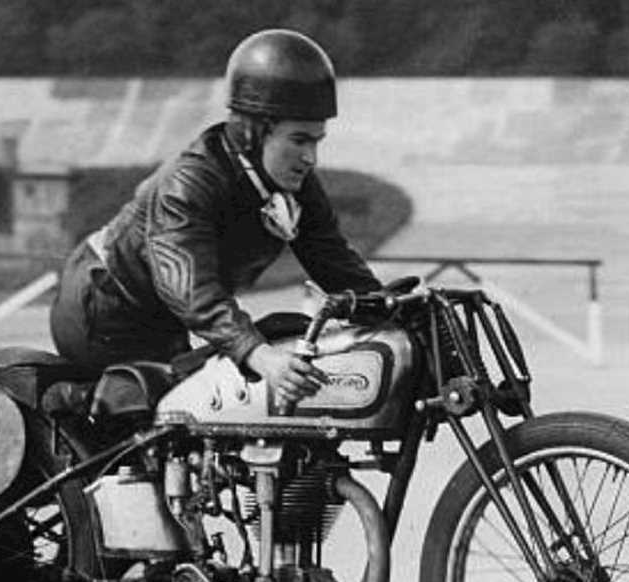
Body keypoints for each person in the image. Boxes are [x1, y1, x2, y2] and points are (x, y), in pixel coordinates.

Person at [49, 29, 381, 406]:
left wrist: (390, 311)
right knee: (162, 420)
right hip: (106, 307)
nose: (311, 158)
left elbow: (333, 259)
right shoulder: (190, 182)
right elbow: (190, 288)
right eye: (299, 140)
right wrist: (259, 355)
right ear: (254, 133)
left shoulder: (293, 182)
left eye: (316, 141)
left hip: (165, 315)